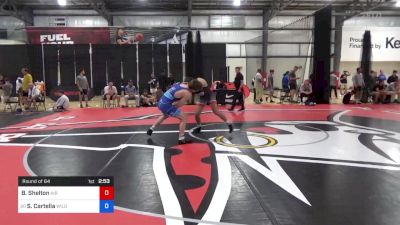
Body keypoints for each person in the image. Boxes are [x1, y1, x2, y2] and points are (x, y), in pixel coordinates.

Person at [147, 79, 203, 144]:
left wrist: (172, 104)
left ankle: (151, 128)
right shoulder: (187, 93)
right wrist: (173, 106)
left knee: (165, 115)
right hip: (166, 105)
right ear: (194, 90)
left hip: (161, 101)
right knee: (183, 117)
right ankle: (181, 138)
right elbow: (179, 104)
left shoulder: (183, 84)